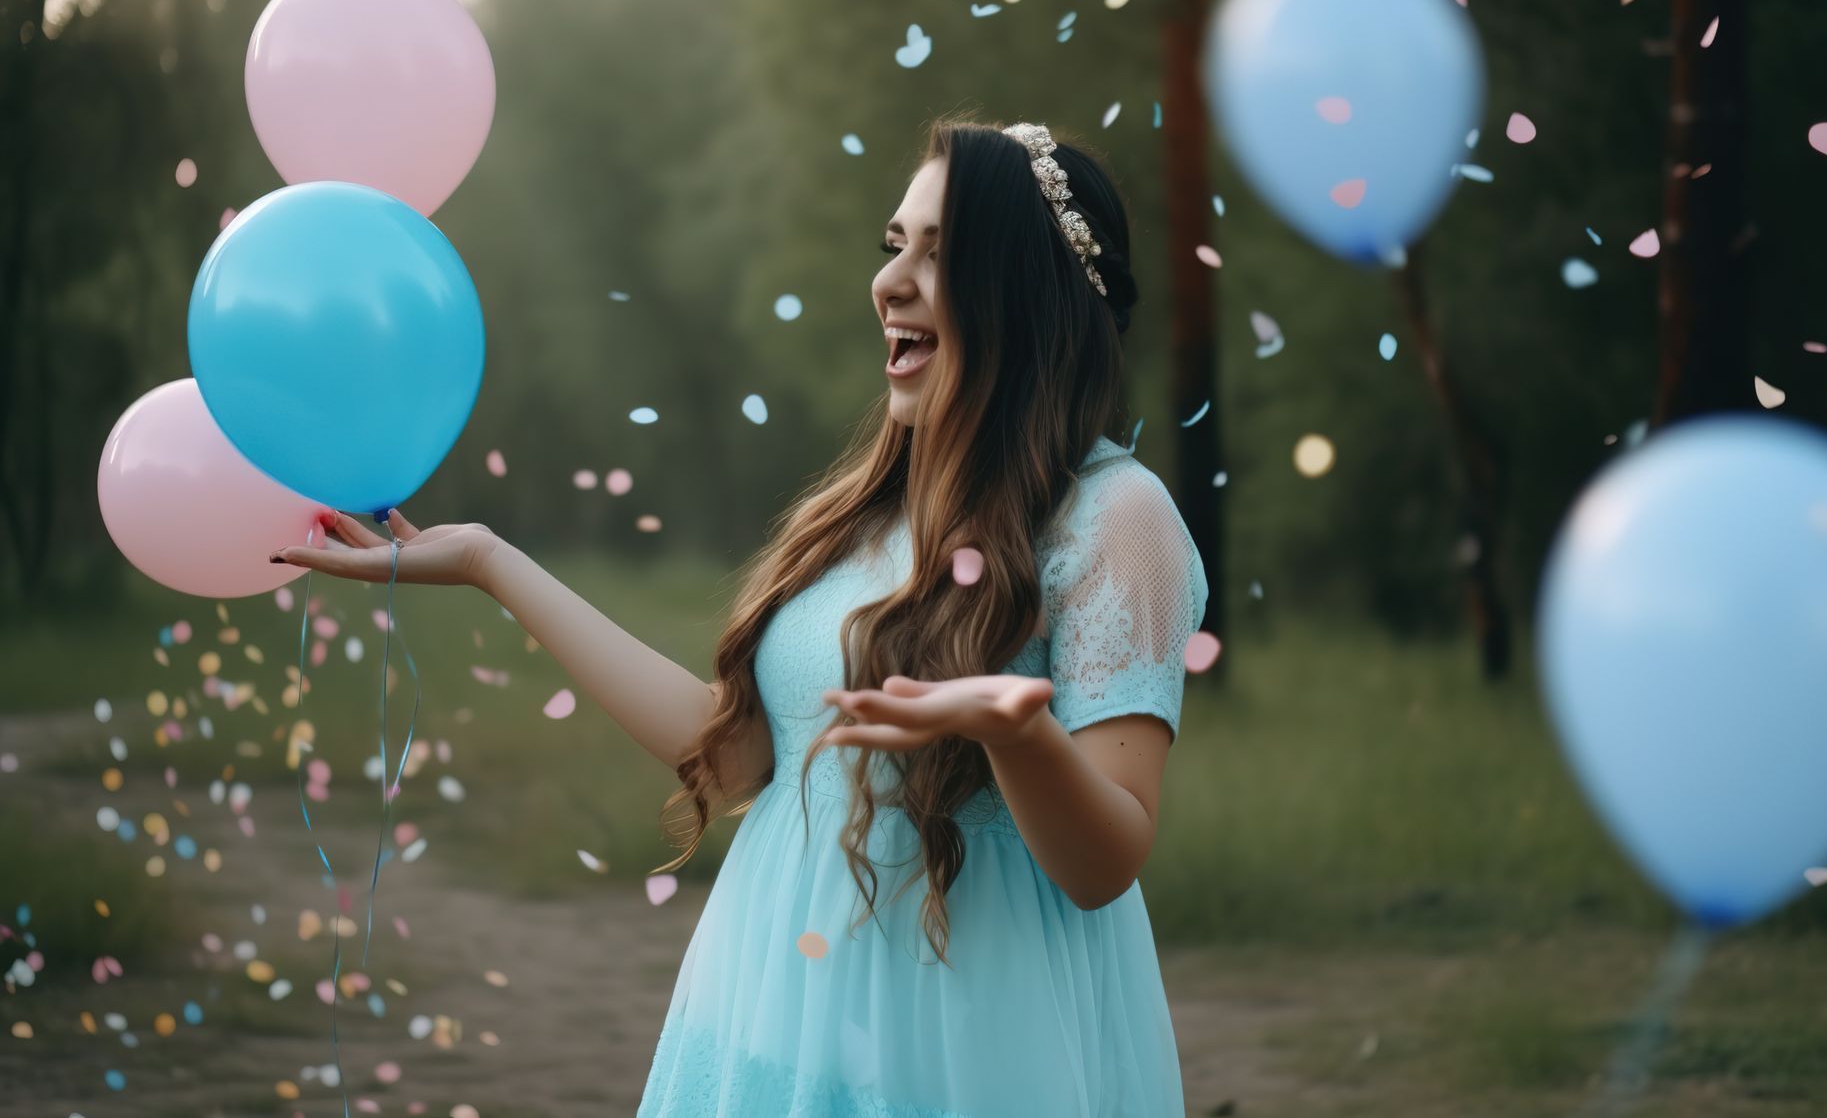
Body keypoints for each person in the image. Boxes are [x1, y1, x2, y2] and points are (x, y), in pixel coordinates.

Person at [275, 117, 1209, 1116]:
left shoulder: (1117, 514)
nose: (890, 281)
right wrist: (491, 564)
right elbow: (736, 761)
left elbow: (1106, 860)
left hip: (964, 1035)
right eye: (894, 244)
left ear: (1028, 293)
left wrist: (1014, 733)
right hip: (777, 1007)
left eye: (941, 254)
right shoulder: (864, 513)